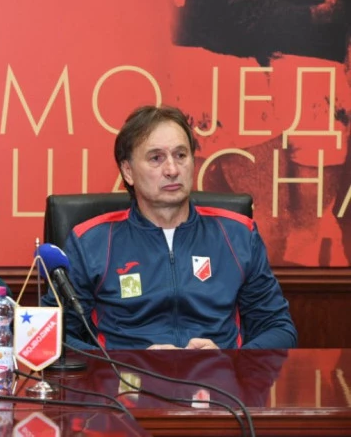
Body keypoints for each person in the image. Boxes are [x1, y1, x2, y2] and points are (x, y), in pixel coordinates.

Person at [43, 105, 297, 350]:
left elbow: (279, 329)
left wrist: (229, 361)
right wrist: (126, 363)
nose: (172, 170)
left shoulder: (238, 234)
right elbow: (50, 334)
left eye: (181, 155)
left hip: (218, 376)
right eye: (156, 158)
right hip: (126, 378)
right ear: (128, 171)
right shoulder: (91, 242)